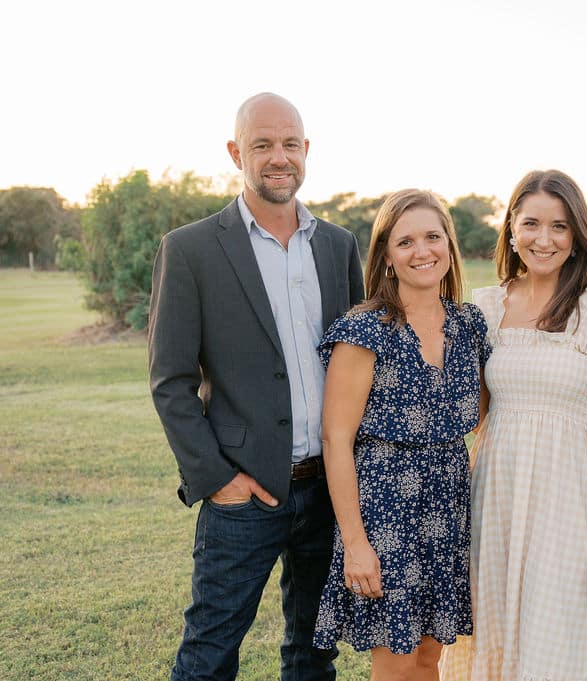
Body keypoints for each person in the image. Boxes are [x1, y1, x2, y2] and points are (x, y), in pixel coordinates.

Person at [148, 92, 363, 681]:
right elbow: (170, 381)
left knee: (314, 652)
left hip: (329, 490)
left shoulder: (339, 246)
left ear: (306, 151)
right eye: (262, 144)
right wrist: (217, 479)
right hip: (244, 494)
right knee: (209, 654)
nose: (278, 157)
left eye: (289, 144)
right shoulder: (190, 249)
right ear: (235, 151)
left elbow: (359, 366)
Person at [440, 170, 587, 681]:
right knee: (496, 632)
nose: (543, 239)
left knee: (562, 643)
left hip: (573, 502)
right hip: (496, 497)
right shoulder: (483, 308)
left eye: (559, 227)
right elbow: (473, 413)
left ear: (577, 237)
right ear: (510, 229)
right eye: (531, 224)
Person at [312, 189, 490, 680]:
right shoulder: (365, 330)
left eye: (433, 237)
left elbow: (478, 413)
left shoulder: (469, 325)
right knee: (396, 662)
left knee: (431, 658)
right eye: (405, 241)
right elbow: (336, 441)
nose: (422, 251)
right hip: (386, 512)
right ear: (387, 256)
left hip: (448, 509)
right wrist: (355, 542)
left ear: (450, 246)